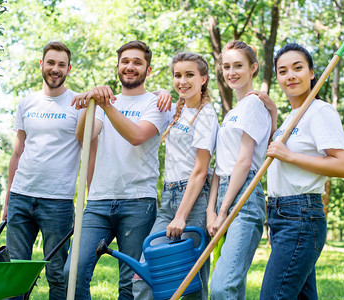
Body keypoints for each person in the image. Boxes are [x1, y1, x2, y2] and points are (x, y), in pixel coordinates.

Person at [64, 40, 169, 300]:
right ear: (118, 66)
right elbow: (85, 137)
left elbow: (136, 136)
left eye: (137, 62)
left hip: (137, 203)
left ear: (149, 69)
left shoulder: (156, 103)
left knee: (130, 283)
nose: (130, 67)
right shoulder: (104, 102)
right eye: (125, 61)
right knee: (72, 272)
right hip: (98, 202)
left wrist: (105, 105)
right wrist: (91, 102)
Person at [260, 43, 344, 300]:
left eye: (298, 68)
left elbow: (342, 166)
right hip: (280, 214)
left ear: (312, 73)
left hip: (300, 215)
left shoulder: (320, 112)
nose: (290, 75)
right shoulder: (293, 117)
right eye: (283, 71)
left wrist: (289, 155)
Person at [132, 52, 219, 300]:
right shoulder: (176, 110)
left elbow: (201, 170)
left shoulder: (206, 115)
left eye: (189, 75)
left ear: (203, 79)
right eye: (177, 75)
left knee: (191, 280)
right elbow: (159, 99)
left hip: (192, 200)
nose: (182, 81)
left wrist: (180, 216)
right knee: (145, 272)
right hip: (169, 195)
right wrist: (161, 91)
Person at [3, 41, 80, 299]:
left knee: (57, 273)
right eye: (51, 63)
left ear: (68, 69)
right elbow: (18, 151)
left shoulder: (78, 105)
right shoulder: (27, 103)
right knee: (15, 271)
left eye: (61, 65)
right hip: (21, 196)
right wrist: (8, 197)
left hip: (57, 201)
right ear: (42, 65)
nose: (55, 69)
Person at [206, 41, 273, 299]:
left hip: (244, 197)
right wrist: (212, 211)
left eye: (238, 66)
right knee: (232, 284)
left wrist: (224, 211)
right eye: (226, 66)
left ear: (253, 68)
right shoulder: (232, 112)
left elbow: (244, 162)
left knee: (223, 286)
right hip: (224, 191)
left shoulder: (254, 105)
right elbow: (219, 167)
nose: (231, 72)